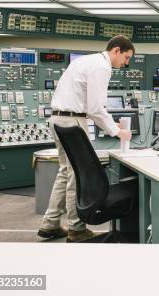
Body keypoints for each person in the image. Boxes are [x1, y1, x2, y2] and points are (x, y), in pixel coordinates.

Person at [37, 35, 134, 242]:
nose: (126, 64)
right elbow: (95, 107)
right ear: (116, 50)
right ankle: (76, 228)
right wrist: (118, 132)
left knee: (65, 171)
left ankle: (50, 223)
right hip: (73, 123)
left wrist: (109, 123)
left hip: (57, 119)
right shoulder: (102, 67)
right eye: (126, 58)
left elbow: (88, 106)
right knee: (77, 175)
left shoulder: (84, 61)